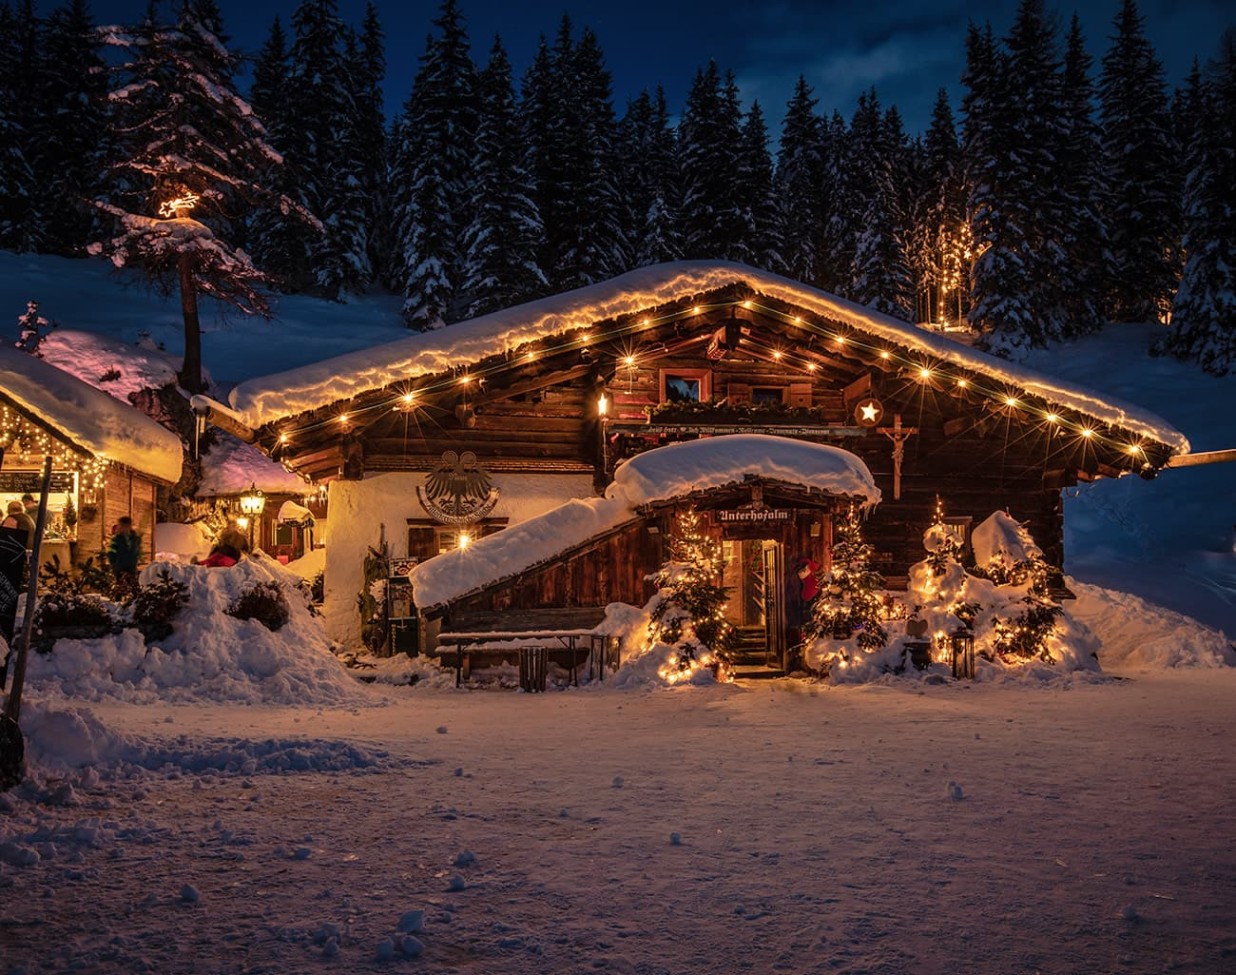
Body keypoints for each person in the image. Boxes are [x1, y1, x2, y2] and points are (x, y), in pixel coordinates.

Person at [107, 515, 142, 588]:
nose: (121, 527)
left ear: (128, 526)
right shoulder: (116, 539)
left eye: (123, 525)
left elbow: (137, 551)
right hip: (120, 568)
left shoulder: (135, 539)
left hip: (131, 568)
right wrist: (114, 564)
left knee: (132, 587)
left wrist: (137, 559)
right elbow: (111, 552)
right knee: (120, 588)